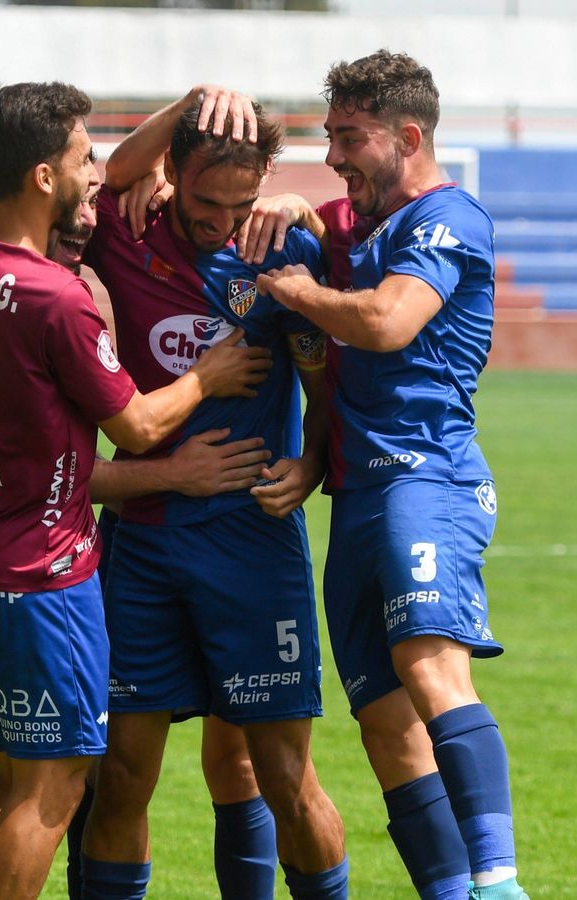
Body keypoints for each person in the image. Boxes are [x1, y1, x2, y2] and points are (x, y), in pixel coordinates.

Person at [0, 81, 270, 900]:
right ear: (43, 177)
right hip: (43, 574)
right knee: (50, 791)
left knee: (1, 783)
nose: (97, 172)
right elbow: (137, 425)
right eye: (83, 158)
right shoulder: (59, 298)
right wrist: (207, 377)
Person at [256, 51, 531, 900]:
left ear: (408, 138)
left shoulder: (450, 219)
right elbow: (326, 223)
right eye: (330, 135)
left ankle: (498, 884)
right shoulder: (360, 223)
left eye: (350, 137)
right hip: (357, 497)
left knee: (430, 669)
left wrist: (298, 292)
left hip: (426, 479)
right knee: (384, 725)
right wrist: (295, 209)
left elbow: (384, 322)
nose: (333, 154)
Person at [77, 86, 348, 900]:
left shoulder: (280, 250)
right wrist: (191, 98)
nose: (223, 222)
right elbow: (107, 174)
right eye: (205, 203)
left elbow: (324, 383)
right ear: (172, 173)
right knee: (122, 776)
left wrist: (312, 463)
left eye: (242, 201)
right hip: (144, 544)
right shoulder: (125, 231)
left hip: (252, 541)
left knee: (282, 776)